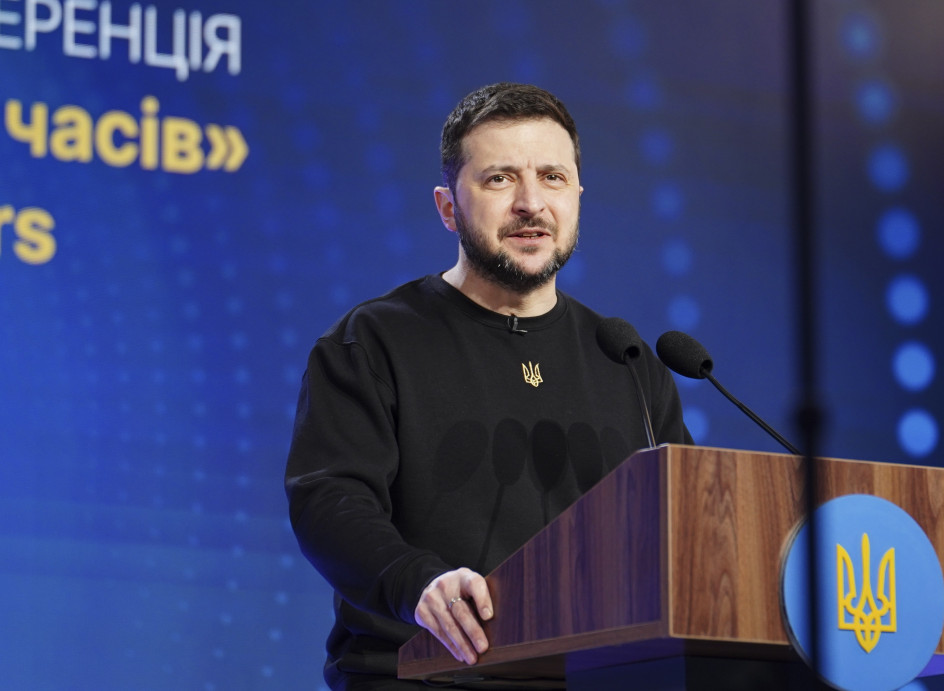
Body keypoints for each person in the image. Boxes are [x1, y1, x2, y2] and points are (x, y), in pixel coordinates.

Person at [285, 82, 691, 690]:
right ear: (448, 207)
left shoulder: (627, 360)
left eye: (553, 178)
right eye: (500, 179)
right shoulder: (374, 342)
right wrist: (417, 583)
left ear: (578, 196)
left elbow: (681, 526)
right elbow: (329, 501)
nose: (532, 203)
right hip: (422, 676)